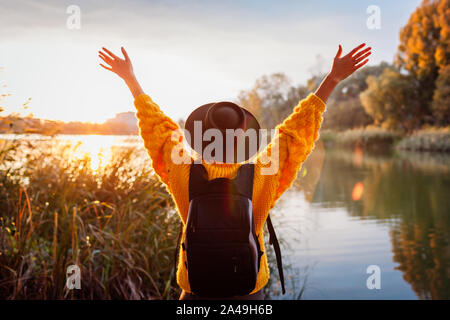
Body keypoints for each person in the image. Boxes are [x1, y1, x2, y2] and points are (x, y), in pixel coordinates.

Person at [98, 43, 371, 299]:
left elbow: (155, 125)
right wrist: (332, 79)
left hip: (195, 288)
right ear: (243, 139)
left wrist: (130, 79)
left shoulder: (181, 167)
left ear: (201, 136)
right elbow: (295, 132)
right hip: (249, 290)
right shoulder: (264, 170)